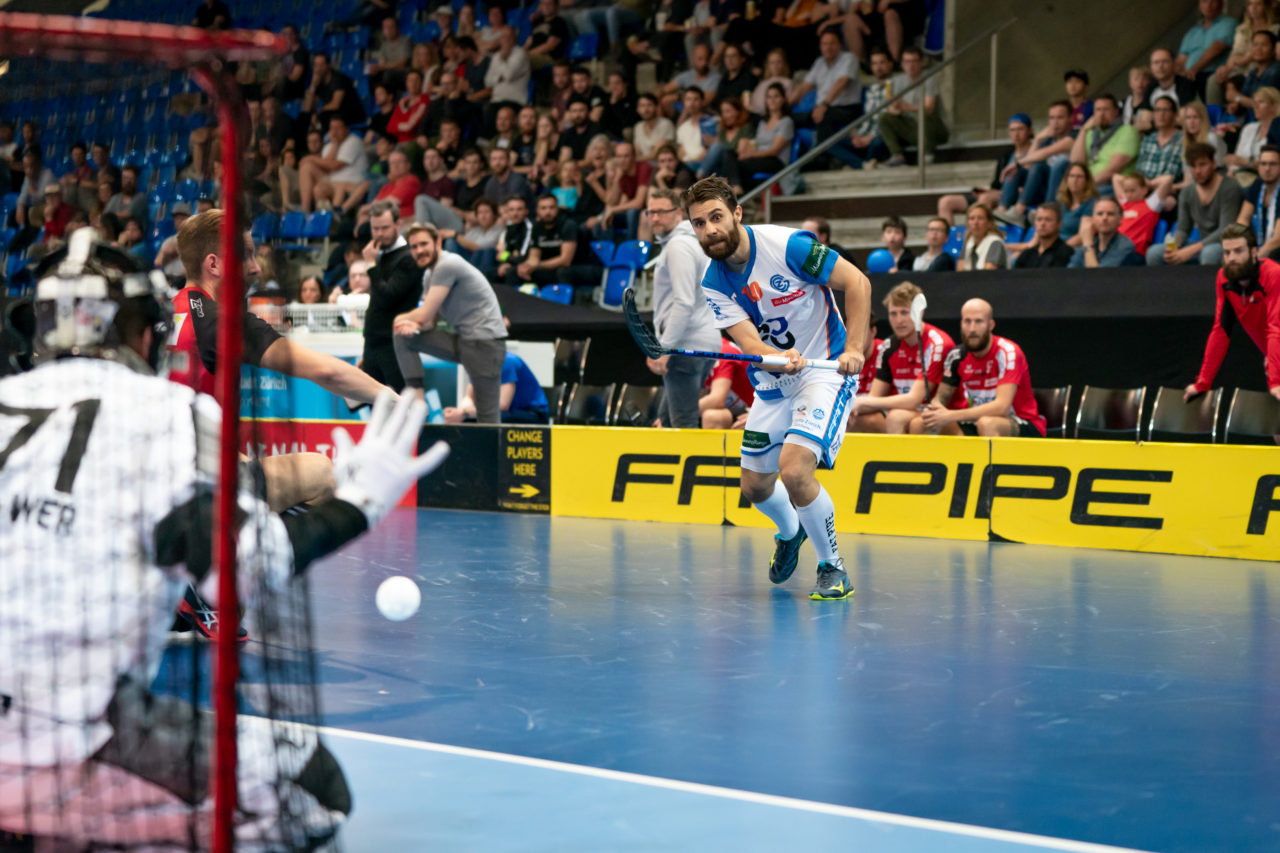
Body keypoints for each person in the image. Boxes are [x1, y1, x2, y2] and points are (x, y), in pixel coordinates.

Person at [0, 231, 447, 851]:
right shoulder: (169, 396)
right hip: (63, 731)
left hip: (183, 492)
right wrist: (363, 499)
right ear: (140, 333)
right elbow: (256, 565)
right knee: (311, 795)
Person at [688, 176, 871, 601]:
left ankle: (833, 568)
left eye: (716, 217)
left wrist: (857, 348)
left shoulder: (790, 247)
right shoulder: (713, 283)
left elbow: (857, 282)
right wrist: (773, 356)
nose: (709, 230)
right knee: (753, 486)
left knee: (794, 469)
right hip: (774, 382)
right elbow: (750, 343)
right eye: (698, 224)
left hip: (825, 370)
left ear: (736, 213)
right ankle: (790, 533)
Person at [169, 209, 390, 503]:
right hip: (198, 487)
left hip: (161, 470)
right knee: (321, 471)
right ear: (214, 264)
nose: (256, 268)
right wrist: (397, 401)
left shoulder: (164, 313)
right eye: (245, 255)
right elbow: (327, 372)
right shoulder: (222, 322)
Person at [393, 222, 509, 423]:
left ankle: (492, 455)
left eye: (423, 244)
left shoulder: (448, 264)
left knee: (487, 418)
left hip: (485, 345)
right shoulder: (430, 274)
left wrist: (401, 319)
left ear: (438, 242)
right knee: (403, 337)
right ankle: (418, 402)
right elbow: (429, 321)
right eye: (414, 247)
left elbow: (424, 314)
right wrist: (414, 326)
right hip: (465, 341)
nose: (419, 250)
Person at [908, 298, 1046, 438]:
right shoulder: (956, 356)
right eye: (967, 321)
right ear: (961, 324)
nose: (972, 329)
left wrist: (950, 415)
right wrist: (934, 411)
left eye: (978, 321)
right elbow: (940, 399)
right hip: (977, 420)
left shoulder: (1008, 352)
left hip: (1022, 423)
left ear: (991, 325)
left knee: (987, 424)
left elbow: (1002, 408)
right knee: (919, 424)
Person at [1185, 222, 1280, 406]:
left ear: (1254, 252)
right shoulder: (1223, 278)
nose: (1232, 258)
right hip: (1275, 357)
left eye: (1238, 251)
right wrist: (1203, 383)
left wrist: (1275, 381)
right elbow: (1221, 331)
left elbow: (1276, 328)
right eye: (1227, 253)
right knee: (1277, 430)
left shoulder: (1273, 274)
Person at [848, 281, 962, 434]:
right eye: (893, 314)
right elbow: (874, 398)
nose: (899, 320)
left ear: (919, 313)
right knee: (855, 420)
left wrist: (861, 401)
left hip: (946, 416)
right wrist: (851, 408)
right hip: (909, 412)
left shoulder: (937, 343)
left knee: (898, 418)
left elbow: (914, 399)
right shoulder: (889, 346)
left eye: (904, 312)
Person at [646, 187, 718, 429]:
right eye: (650, 212)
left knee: (682, 423)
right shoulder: (692, 243)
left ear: (678, 212)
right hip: (699, 343)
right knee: (665, 422)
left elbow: (683, 302)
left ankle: (689, 466)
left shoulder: (679, 246)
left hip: (686, 347)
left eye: (661, 212)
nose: (655, 218)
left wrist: (664, 348)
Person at [359, 199, 423, 391]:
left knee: (400, 405)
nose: (379, 234)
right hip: (373, 343)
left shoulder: (408, 257)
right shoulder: (381, 254)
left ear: (398, 224)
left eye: (385, 228)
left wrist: (371, 266)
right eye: (375, 228)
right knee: (373, 405)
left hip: (395, 344)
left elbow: (387, 296)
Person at [1147, 142, 1244, 266]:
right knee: (1154, 253)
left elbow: (1225, 230)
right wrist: (1174, 245)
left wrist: (1191, 250)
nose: (1198, 171)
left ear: (1213, 163)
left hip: (1229, 245)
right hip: (1202, 245)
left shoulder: (1230, 187)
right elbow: (1183, 228)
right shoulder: (1187, 192)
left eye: (1202, 165)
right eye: (1193, 166)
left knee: (1210, 253)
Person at [505, 193, 603, 289]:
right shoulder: (537, 227)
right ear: (537, 210)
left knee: (563, 272)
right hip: (554, 268)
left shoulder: (568, 225)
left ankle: (564, 304)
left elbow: (566, 260)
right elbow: (534, 257)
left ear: (557, 208)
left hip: (580, 266)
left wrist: (538, 265)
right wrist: (525, 266)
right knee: (514, 271)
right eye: (543, 208)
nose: (548, 212)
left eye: (551, 207)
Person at [878, 46, 949, 166]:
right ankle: (897, 155)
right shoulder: (897, 80)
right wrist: (895, 109)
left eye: (914, 61)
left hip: (932, 127)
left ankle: (927, 153)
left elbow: (929, 108)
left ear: (921, 63)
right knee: (884, 117)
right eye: (907, 62)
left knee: (921, 115)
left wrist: (907, 107)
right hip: (910, 126)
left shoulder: (929, 78)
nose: (911, 65)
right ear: (902, 64)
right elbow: (891, 106)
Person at [445, 351, 550, 423]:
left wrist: (465, 414)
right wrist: (459, 412)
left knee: (482, 418)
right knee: (466, 419)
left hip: (533, 413)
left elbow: (502, 405)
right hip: (510, 411)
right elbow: (469, 397)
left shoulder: (507, 361)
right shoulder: (476, 364)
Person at [298, 116, 368, 214]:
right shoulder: (330, 145)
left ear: (346, 129)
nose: (334, 132)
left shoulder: (353, 141)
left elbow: (336, 165)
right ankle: (314, 213)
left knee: (310, 166)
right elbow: (326, 164)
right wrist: (335, 145)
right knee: (318, 188)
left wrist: (310, 158)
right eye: (332, 128)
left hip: (352, 183)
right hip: (334, 182)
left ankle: (332, 218)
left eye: (337, 128)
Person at [1070, 94, 1139, 187]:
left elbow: (1113, 170)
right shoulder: (1090, 133)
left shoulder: (1127, 131)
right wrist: (1083, 130)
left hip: (1112, 185)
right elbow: (1076, 163)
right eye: (1098, 110)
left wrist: (1087, 187)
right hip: (1088, 185)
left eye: (1106, 109)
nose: (1101, 114)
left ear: (1115, 111)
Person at [1069, 196, 1143, 267]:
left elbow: (1099, 277)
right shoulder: (1091, 241)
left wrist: (1088, 244)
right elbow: (1071, 272)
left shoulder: (1125, 246)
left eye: (1110, 214)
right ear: (1093, 218)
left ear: (1120, 218)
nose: (1104, 218)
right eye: (1100, 214)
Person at [699, 339, 755, 429]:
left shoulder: (723, 352)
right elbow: (699, 396)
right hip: (732, 410)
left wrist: (679, 411)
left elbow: (717, 400)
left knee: (713, 417)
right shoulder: (700, 354)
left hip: (755, 410)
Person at [1237, 144, 1280, 258]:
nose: (1267, 168)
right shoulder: (1258, 184)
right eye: (1263, 164)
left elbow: (1277, 239)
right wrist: (1239, 246)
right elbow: (1242, 220)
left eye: (1272, 164)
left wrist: (1255, 258)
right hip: (1265, 249)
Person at [1012, 202, 1073, 268]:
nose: (1042, 224)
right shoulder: (1027, 254)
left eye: (1048, 220)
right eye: (1039, 219)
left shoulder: (1066, 253)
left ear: (1059, 224)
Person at [957, 203, 1006, 270]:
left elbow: (988, 273)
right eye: (972, 218)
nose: (975, 222)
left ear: (989, 223)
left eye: (980, 218)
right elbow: (960, 270)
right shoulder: (968, 242)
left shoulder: (995, 242)